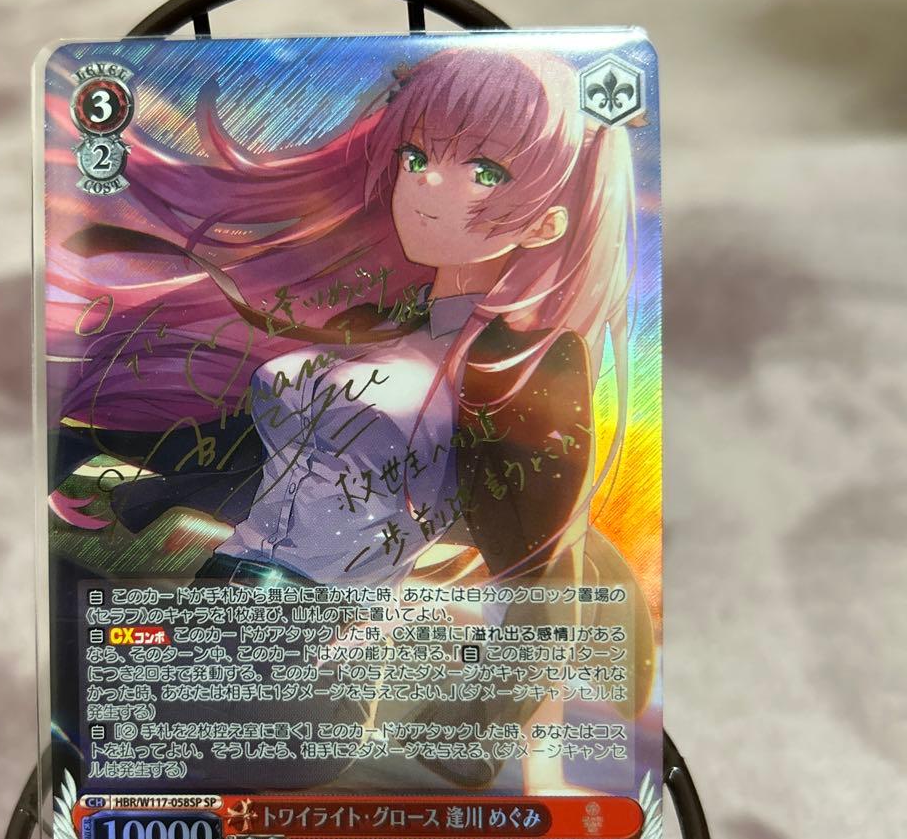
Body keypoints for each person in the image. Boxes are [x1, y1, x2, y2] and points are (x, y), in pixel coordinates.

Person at [46, 46, 655, 793]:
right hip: (224, 624)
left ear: (547, 221)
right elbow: (259, 456)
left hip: (296, 674)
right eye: (416, 156)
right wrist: (102, 468)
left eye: (485, 171)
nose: (426, 185)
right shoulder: (383, 323)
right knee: (52, 600)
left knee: (63, 641)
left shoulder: (523, 362)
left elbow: (545, 576)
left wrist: (493, 746)